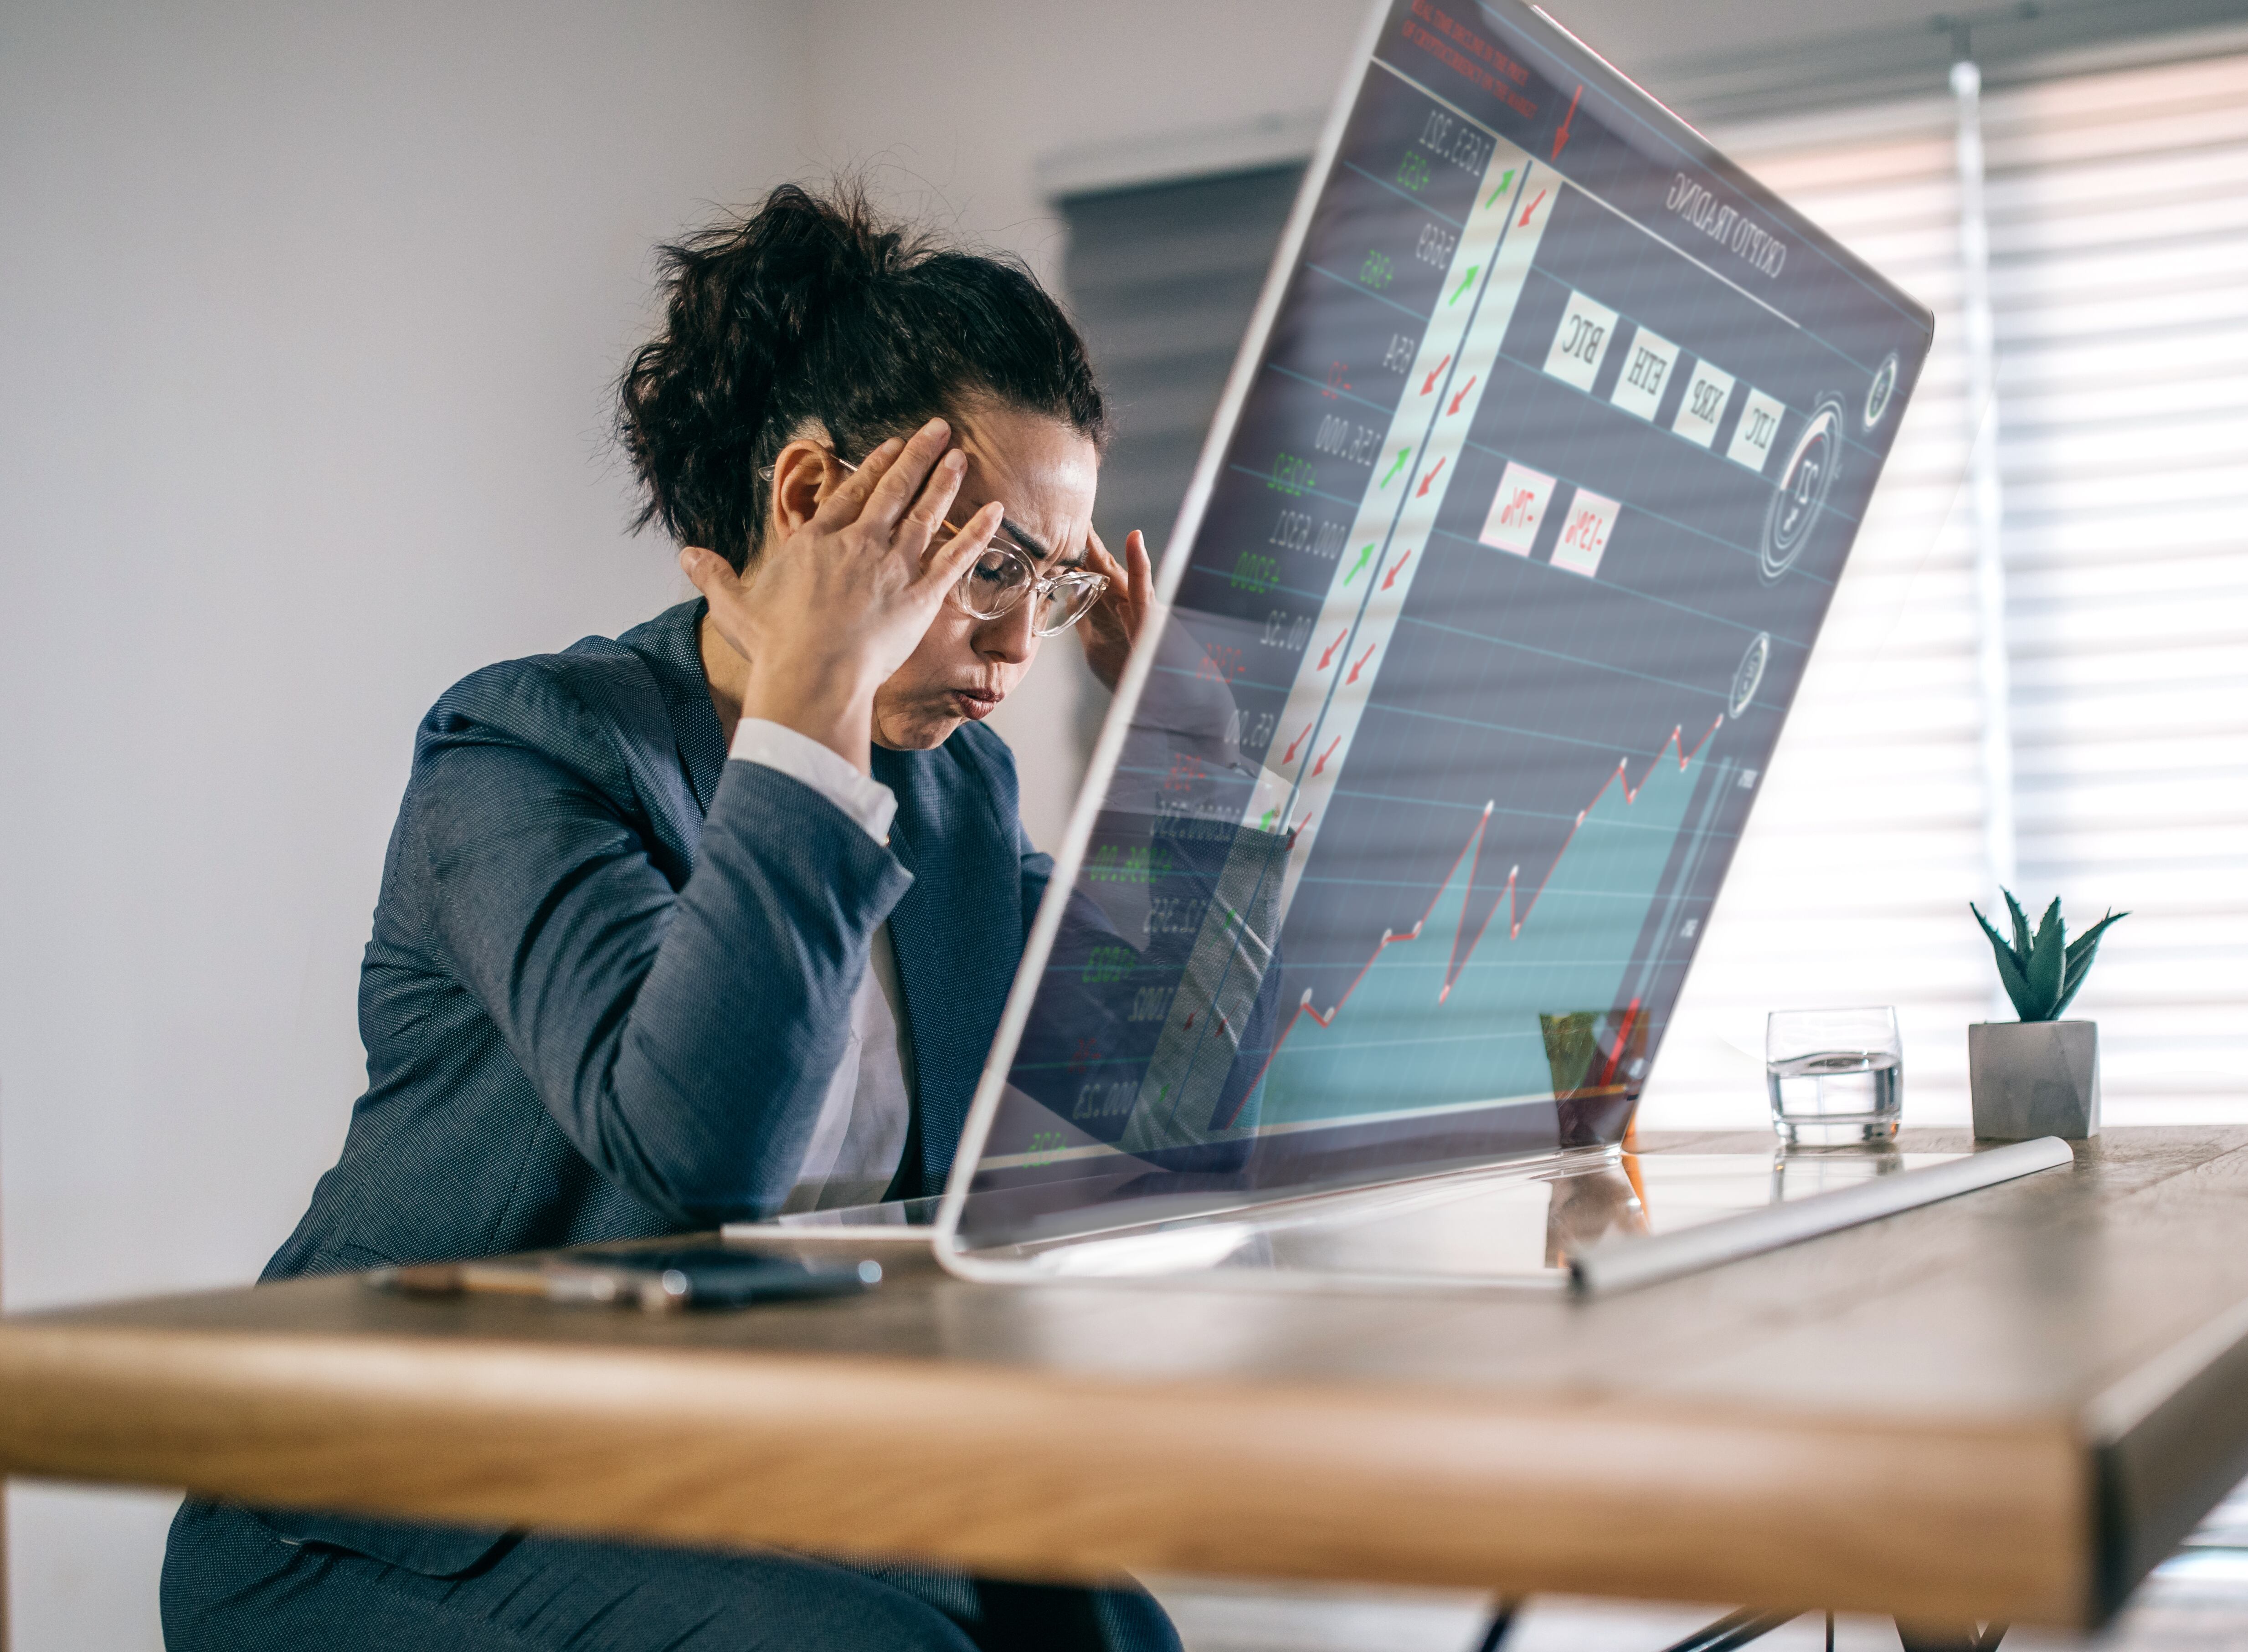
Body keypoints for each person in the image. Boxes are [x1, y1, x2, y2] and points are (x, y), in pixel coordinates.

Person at [159, 182, 1180, 1652]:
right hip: (381, 1511)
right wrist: (815, 694)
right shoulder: (525, 751)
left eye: (1059, 577)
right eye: (991, 565)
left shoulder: (952, 799)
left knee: (1109, 1629)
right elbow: (707, 1145)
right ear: (816, 497)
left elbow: (1158, 1092)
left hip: (699, 1478)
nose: (1027, 642)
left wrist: (1206, 778)